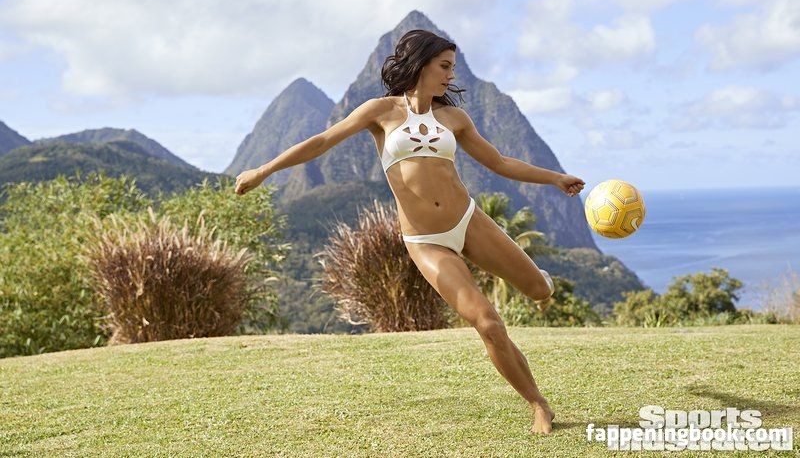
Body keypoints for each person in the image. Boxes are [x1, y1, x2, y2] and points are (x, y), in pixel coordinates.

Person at [235, 29, 585, 434]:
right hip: (426, 242)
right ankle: (538, 404)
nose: (451, 76)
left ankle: (541, 281)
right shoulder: (380, 112)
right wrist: (263, 171)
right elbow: (322, 141)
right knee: (487, 322)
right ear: (421, 64)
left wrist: (555, 178)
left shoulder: (454, 118)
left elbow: (501, 162)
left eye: (452, 68)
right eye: (445, 66)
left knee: (539, 291)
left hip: (468, 220)